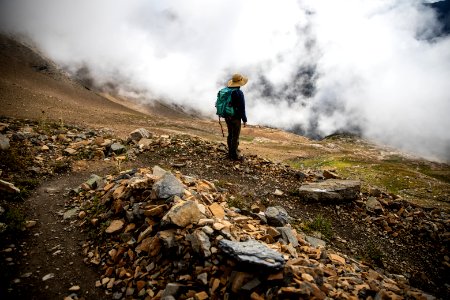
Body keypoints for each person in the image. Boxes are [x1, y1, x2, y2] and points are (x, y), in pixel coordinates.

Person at [225, 73, 248, 160]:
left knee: (230, 134)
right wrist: (244, 120)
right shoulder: (239, 93)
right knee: (235, 136)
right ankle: (233, 155)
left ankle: (230, 152)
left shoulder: (228, 91)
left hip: (227, 116)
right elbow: (242, 108)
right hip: (235, 118)